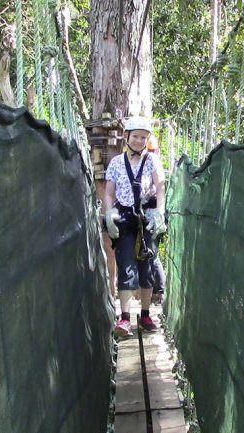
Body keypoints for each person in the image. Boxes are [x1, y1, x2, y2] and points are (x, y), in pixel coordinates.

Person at [104, 116, 167, 337]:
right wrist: (109, 213)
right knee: (126, 267)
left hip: (147, 219)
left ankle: (146, 314)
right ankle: (124, 319)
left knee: (147, 268)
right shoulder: (116, 163)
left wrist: (160, 211)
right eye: (136, 136)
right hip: (125, 220)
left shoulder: (152, 161)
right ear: (127, 137)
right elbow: (109, 193)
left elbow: (160, 187)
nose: (140, 141)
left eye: (143, 137)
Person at [145, 133, 167, 305]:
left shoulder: (152, 162)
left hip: (154, 216)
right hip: (150, 215)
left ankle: (158, 291)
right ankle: (155, 290)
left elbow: (159, 190)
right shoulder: (150, 162)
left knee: (152, 254)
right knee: (151, 253)